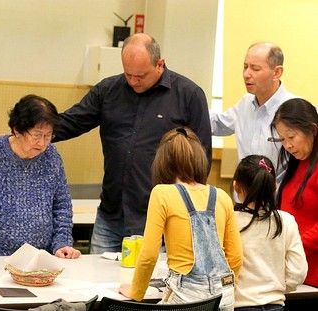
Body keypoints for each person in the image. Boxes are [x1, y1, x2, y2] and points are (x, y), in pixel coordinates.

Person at [53, 33, 212, 254]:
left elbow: (201, 161)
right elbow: (71, 122)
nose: (134, 81)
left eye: (141, 75)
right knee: (95, 284)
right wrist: (32, 130)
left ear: (160, 64)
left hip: (160, 219)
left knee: (150, 286)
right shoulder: (108, 90)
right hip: (111, 215)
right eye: (128, 74)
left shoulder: (188, 95)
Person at [118, 127, 243, 311]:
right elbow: (236, 257)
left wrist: (136, 292)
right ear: (200, 159)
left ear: (162, 162)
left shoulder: (162, 193)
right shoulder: (222, 196)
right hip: (224, 297)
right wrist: (223, 289)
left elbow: (149, 254)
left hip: (186, 297)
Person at [0, 94, 80, 260]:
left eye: (48, 135)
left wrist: (62, 243)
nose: (42, 143)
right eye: (36, 135)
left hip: (39, 259)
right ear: (17, 129)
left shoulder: (52, 157)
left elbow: (62, 206)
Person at [211, 42, 299, 186]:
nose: (246, 74)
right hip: (243, 200)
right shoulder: (245, 104)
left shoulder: (296, 108)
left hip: (278, 203)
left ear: (277, 72)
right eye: (245, 67)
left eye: (255, 68)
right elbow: (216, 124)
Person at [232, 155, 307, 310]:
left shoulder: (229, 221)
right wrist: (275, 288)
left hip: (240, 305)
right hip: (276, 304)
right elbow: (298, 272)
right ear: (274, 186)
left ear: (236, 186)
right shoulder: (286, 221)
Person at [270, 98, 318, 287]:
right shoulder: (296, 163)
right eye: (282, 139)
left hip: (311, 275)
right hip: (293, 271)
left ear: (313, 130)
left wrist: (294, 250)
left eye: (291, 137)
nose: (287, 145)